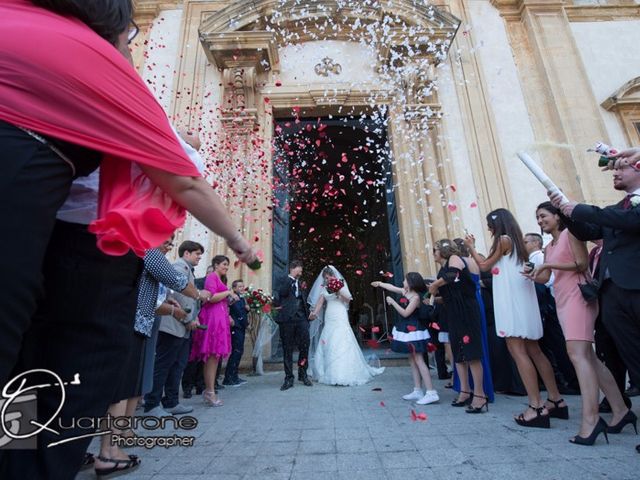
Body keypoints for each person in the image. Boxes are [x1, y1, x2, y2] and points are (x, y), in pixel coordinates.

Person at [0, 0, 257, 387]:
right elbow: (184, 181)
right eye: (131, 35)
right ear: (112, 27)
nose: (132, 50)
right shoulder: (96, 58)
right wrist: (240, 243)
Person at [550, 146, 640, 452]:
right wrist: (566, 211)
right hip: (614, 292)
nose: (614, 171)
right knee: (634, 362)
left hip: (636, 288)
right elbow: (592, 228)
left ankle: (609, 414)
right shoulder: (620, 206)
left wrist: (578, 208)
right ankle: (621, 410)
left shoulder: (630, 209)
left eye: (621, 167)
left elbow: (620, 220)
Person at [529, 202, 632, 445]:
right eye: (537, 218)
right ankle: (620, 409)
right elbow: (545, 277)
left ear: (557, 216)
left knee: (578, 355)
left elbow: (581, 264)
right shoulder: (548, 246)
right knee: (589, 358)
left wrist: (549, 265)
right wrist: (533, 271)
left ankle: (591, 419)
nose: (540, 221)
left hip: (578, 296)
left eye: (543, 216)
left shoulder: (570, 233)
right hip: (563, 299)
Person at [465, 208, 565, 428]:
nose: (488, 228)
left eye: (489, 223)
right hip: (524, 300)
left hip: (512, 303)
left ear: (497, 223)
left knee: (518, 351)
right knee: (535, 351)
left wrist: (471, 246)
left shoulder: (503, 240)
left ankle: (536, 407)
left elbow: (484, 266)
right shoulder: (518, 242)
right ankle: (556, 399)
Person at [144, 240, 205, 416]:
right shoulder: (180, 268)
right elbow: (181, 295)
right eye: (197, 254)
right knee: (163, 365)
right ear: (186, 253)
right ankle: (152, 403)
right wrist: (187, 319)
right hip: (173, 324)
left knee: (177, 365)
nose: (199, 257)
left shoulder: (187, 269)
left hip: (182, 325)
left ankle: (171, 401)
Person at [429, 240, 488, 413]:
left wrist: (434, 285)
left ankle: (479, 395)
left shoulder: (454, 258)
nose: (433, 252)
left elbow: (452, 276)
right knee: (458, 352)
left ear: (444, 250)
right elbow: (450, 291)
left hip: (466, 310)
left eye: (435, 249)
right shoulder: (442, 267)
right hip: (453, 311)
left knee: (472, 352)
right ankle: (464, 391)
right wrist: (433, 297)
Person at [307, 266, 385, 386]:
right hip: (330, 316)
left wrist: (338, 291)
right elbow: (320, 303)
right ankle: (328, 370)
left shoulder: (341, 284)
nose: (327, 280)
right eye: (325, 278)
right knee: (329, 340)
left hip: (340, 314)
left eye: (328, 277)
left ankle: (342, 371)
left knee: (342, 340)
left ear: (333, 275)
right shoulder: (324, 288)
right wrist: (314, 313)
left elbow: (348, 299)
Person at [372, 273, 439, 405]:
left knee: (419, 360)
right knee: (412, 360)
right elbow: (392, 287)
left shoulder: (415, 297)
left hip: (414, 330)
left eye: (405, 280)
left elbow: (405, 313)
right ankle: (417, 389)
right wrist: (380, 284)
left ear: (411, 282)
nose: (402, 282)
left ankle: (431, 392)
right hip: (407, 329)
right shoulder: (405, 292)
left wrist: (393, 303)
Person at [525, 233, 579, 395]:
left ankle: (572, 380)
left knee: (557, 343)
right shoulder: (536, 257)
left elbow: (549, 280)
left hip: (549, 305)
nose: (524, 244)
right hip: (547, 305)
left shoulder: (539, 258)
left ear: (536, 242)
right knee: (550, 344)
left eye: (526, 241)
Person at [190, 255, 236, 406]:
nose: (226, 267)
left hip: (219, 319)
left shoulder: (219, 278)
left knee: (215, 357)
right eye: (224, 264)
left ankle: (209, 390)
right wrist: (228, 293)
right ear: (215, 265)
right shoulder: (211, 277)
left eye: (227, 265)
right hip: (212, 319)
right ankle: (209, 391)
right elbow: (210, 298)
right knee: (212, 356)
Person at [274, 260, 313, 390]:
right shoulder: (283, 279)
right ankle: (289, 378)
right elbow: (281, 293)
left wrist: (309, 313)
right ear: (293, 268)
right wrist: (291, 280)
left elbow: (303, 298)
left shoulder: (301, 282)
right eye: (299, 269)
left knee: (304, 346)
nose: (301, 272)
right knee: (287, 349)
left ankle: (303, 373)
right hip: (287, 319)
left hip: (301, 318)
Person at [223, 279, 251, 387]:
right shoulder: (231, 298)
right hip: (236, 327)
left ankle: (235, 376)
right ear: (234, 288)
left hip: (241, 326)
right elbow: (232, 310)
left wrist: (247, 309)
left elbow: (242, 310)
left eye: (243, 286)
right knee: (236, 351)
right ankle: (228, 377)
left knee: (239, 351)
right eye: (239, 287)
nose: (242, 288)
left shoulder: (242, 298)